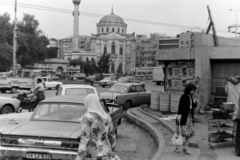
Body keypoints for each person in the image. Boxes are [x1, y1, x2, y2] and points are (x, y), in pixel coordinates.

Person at [75, 94, 120, 160]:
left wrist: (80, 155)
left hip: (93, 153)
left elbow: (85, 138)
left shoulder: (87, 117)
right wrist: (113, 150)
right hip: (106, 152)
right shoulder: (107, 116)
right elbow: (112, 135)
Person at [175, 83, 197, 154]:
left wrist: (194, 99)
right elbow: (180, 108)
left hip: (189, 117)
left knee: (189, 133)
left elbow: (194, 106)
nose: (193, 92)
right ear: (189, 89)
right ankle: (177, 147)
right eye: (192, 90)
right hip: (183, 117)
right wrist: (179, 117)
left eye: (194, 90)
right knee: (181, 132)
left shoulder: (191, 97)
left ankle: (185, 147)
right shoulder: (183, 97)